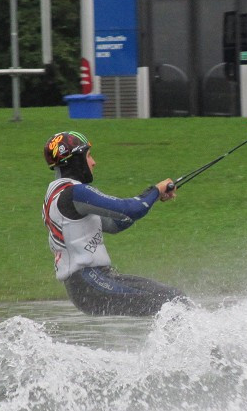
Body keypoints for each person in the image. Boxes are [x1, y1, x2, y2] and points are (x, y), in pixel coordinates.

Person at [41, 131, 187, 316]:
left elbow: (115, 223)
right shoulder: (75, 193)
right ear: (76, 160)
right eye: (89, 156)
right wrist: (154, 191)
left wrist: (152, 198)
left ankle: (180, 344)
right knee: (172, 301)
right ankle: (203, 344)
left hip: (88, 285)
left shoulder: (56, 194)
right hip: (91, 283)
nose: (94, 162)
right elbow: (129, 210)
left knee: (172, 301)